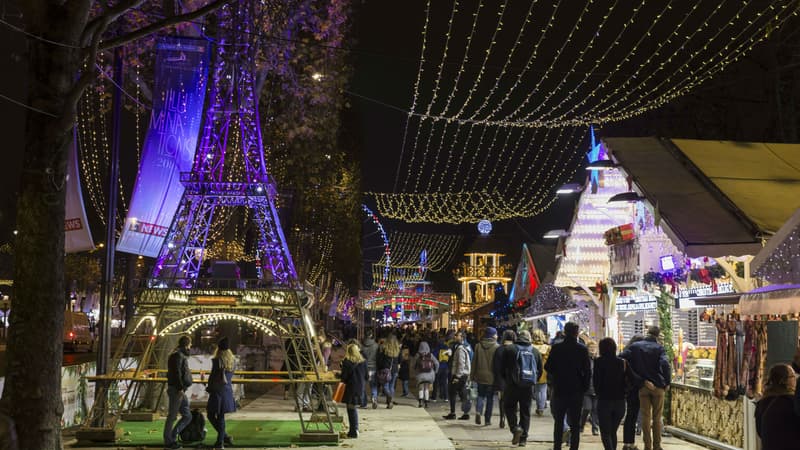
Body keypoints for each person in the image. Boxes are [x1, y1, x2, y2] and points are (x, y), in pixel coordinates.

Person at [620, 326, 671, 450]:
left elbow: (621, 357)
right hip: (658, 387)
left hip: (642, 387)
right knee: (657, 418)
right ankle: (657, 446)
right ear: (657, 336)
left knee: (645, 417)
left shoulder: (635, 346)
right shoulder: (660, 348)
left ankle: (647, 446)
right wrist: (667, 382)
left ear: (647, 333)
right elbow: (665, 364)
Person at [546, 322, 591, 450]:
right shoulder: (582, 349)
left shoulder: (556, 348)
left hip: (560, 389)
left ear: (565, 332)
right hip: (576, 390)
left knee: (559, 421)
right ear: (576, 333)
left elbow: (548, 367)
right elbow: (587, 371)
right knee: (575, 423)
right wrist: (584, 387)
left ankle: (557, 446)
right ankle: (574, 447)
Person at [501, 329, 542, 447]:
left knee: (509, 407)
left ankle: (515, 428)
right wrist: (533, 381)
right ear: (529, 338)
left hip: (512, 385)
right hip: (528, 386)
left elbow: (502, 368)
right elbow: (539, 369)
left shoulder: (509, 349)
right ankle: (523, 439)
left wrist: (507, 379)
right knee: (525, 411)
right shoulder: (535, 351)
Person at [594, 337, 628, 450]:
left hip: (604, 401)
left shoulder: (598, 362)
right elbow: (630, 380)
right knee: (613, 431)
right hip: (620, 402)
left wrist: (598, 393)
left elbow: (596, 381)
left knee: (605, 432)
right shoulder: (622, 362)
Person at [164, 335, 193, 449]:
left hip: (179, 389)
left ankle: (172, 436)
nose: (191, 347)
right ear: (186, 345)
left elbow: (176, 372)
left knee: (187, 415)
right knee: (172, 416)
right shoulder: (178, 356)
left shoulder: (177, 355)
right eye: (190, 344)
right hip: (177, 390)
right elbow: (177, 373)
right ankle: (168, 441)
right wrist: (180, 387)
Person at [206, 337, 236, 449]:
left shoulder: (216, 360)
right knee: (221, 416)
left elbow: (213, 376)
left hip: (217, 391)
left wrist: (209, 387)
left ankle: (221, 441)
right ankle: (223, 438)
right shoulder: (233, 361)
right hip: (227, 390)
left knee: (210, 414)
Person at [471, 327, 499, 426]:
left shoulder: (478, 346)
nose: (497, 335)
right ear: (492, 335)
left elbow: (474, 362)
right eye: (496, 334)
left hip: (480, 376)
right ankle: (487, 420)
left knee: (480, 395)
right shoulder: (496, 347)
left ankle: (478, 412)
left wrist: (472, 376)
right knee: (490, 398)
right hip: (491, 377)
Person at [621, 335, 644, 450]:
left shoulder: (626, 352)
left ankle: (627, 443)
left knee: (630, 415)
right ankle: (630, 443)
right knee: (633, 415)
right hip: (637, 387)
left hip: (628, 388)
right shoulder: (638, 354)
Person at [340, 343, 367, 439]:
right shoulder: (363, 362)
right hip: (360, 387)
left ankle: (354, 430)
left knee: (351, 409)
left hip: (351, 388)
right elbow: (366, 376)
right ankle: (353, 429)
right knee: (352, 408)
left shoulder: (347, 362)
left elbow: (344, 377)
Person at [443, 330, 472, 420]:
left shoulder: (460, 349)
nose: (455, 337)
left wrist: (457, 376)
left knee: (453, 393)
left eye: (457, 335)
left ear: (462, 337)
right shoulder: (461, 347)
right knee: (462, 393)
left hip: (459, 375)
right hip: (463, 374)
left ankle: (453, 413)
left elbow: (461, 364)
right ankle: (465, 413)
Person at [492, 329, 516, 429]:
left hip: (501, 379)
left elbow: (495, 366)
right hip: (513, 379)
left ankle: (502, 418)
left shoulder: (499, 349)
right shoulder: (516, 348)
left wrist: (497, 378)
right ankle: (513, 419)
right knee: (513, 400)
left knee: (502, 400)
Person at [376, 334, 402, 409]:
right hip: (395, 370)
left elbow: (380, 360)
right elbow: (400, 360)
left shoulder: (384, 349)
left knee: (385, 386)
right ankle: (390, 401)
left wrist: (380, 367)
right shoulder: (398, 349)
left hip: (385, 369)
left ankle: (389, 397)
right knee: (392, 386)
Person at [580, 340, 600, 436]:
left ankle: (595, 428)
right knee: (587, 408)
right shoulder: (584, 360)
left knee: (595, 410)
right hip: (586, 389)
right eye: (590, 347)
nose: (592, 349)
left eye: (594, 348)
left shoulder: (599, 361)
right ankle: (581, 424)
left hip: (596, 389)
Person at [531, 329, 550, 416]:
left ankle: (539, 407)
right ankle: (541, 408)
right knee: (543, 390)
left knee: (537, 390)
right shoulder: (547, 347)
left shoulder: (531, 347)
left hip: (534, 370)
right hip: (544, 370)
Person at [415, 340, 439, 407]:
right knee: (427, 388)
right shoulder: (430, 355)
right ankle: (426, 403)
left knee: (421, 388)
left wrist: (415, 370)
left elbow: (414, 364)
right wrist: (435, 371)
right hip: (429, 374)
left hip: (420, 374)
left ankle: (420, 402)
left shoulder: (418, 355)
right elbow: (437, 363)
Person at [361, 332, 379, 408]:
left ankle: (363, 402)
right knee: (373, 385)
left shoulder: (361, 346)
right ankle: (374, 398)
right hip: (373, 367)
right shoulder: (376, 346)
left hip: (364, 368)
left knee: (363, 386)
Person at [432, 335, 451, 402]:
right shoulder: (447, 347)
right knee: (444, 383)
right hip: (445, 367)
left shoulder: (437, 348)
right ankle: (445, 397)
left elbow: (433, 355)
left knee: (436, 382)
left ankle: (434, 397)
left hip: (438, 367)